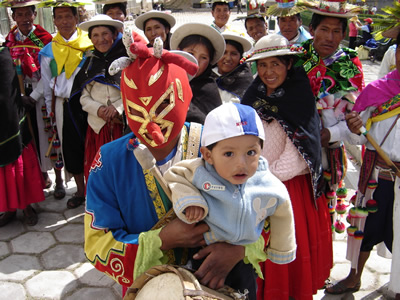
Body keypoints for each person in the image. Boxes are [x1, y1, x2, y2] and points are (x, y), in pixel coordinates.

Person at [84, 40, 266, 298]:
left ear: (184, 97)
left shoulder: (220, 146)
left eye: (162, 108)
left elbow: (267, 210)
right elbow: (97, 244)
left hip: (227, 281)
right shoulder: (109, 161)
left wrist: (239, 250)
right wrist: (161, 240)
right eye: (138, 111)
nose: (153, 128)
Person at [164, 102, 296, 299]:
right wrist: (190, 200)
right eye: (228, 154)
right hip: (202, 253)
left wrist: (281, 249)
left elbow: (283, 212)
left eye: (251, 153)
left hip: (243, 261)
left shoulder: (268, 184)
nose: (241, 164)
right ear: (208, 155)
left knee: (244, 294)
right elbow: (175, 175)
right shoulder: (201, 172)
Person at [241, 34, 328, 300]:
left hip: (288, 191)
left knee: (284, 248)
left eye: (275, 64)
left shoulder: (299, 99)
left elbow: (299, 155)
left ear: (288, 65)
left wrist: (260, 181)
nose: (268, 72)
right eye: (263, 65)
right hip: (253, 185)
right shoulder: (251, 97)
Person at [325, 26, 400, 300]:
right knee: (365, 230)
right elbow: (352, 132)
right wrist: (350, 128)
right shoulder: (378, 91)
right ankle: (354, 277)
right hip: (377, 175)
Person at [295, 0, 364, 243]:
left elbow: (357, 117)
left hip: (329, 154)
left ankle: (321, 262)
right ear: (312, 29)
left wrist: (330, 135)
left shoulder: (349, 65)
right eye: (324, 29)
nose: (330, 37)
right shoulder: (295, 59)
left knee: (325, 210)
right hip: (295, 149)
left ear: (345, 34)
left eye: (337, 31)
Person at [3, 0, 66, 200]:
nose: (24, 19)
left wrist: (33, 95)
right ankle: (41, 178)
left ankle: (59, 180)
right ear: (13, 17)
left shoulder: (46, 40)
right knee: (28, 138)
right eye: (19, 15)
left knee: (50, 135)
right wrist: (20, 96)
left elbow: (51, 73)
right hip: (18, 96)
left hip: (42, 94)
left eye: (27, 14)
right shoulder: (10, 40)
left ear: (34, 15)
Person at [39, 0, 93, 209]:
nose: (64, 21)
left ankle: (98, 191)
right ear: (53, 21)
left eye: (68, 16)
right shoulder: (48, 52)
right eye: (59, 17)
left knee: (93, 146)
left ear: (76, 18)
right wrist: (50, 111)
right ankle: (80, 191)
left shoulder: (89, 45)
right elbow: (46, 85)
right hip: (63, 105)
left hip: (88, 102)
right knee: (71, 148)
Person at [69, 14, 126, 182]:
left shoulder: (126, 61)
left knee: (120, 169)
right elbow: (83, 97)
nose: (101, 39)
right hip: (97, 128)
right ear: (91, 39)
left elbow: (133, 92)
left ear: (115, 35)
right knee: (99, 169)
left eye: (105, 34)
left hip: (120, 127)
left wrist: (117, 108)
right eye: (95, 35)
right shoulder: (89, 64)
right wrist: (99, 109)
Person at [0, 46, 45, 227]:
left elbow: (7, 92)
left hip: (8, 118)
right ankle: (9, 208)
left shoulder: (2, 55)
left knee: (17, 157)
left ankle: (27, 206)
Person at [170, 23, 225, 124]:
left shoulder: (208, 90)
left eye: (203, 57)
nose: (196, 61)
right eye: (191, 54)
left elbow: (212, 126)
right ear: (179, 51)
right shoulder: (165, 78)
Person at [212, 32, 253, 103]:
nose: (228, 58)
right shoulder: (206, 77)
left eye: (233, 54)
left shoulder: (246, 83)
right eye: (224, 53)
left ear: (240, 57)